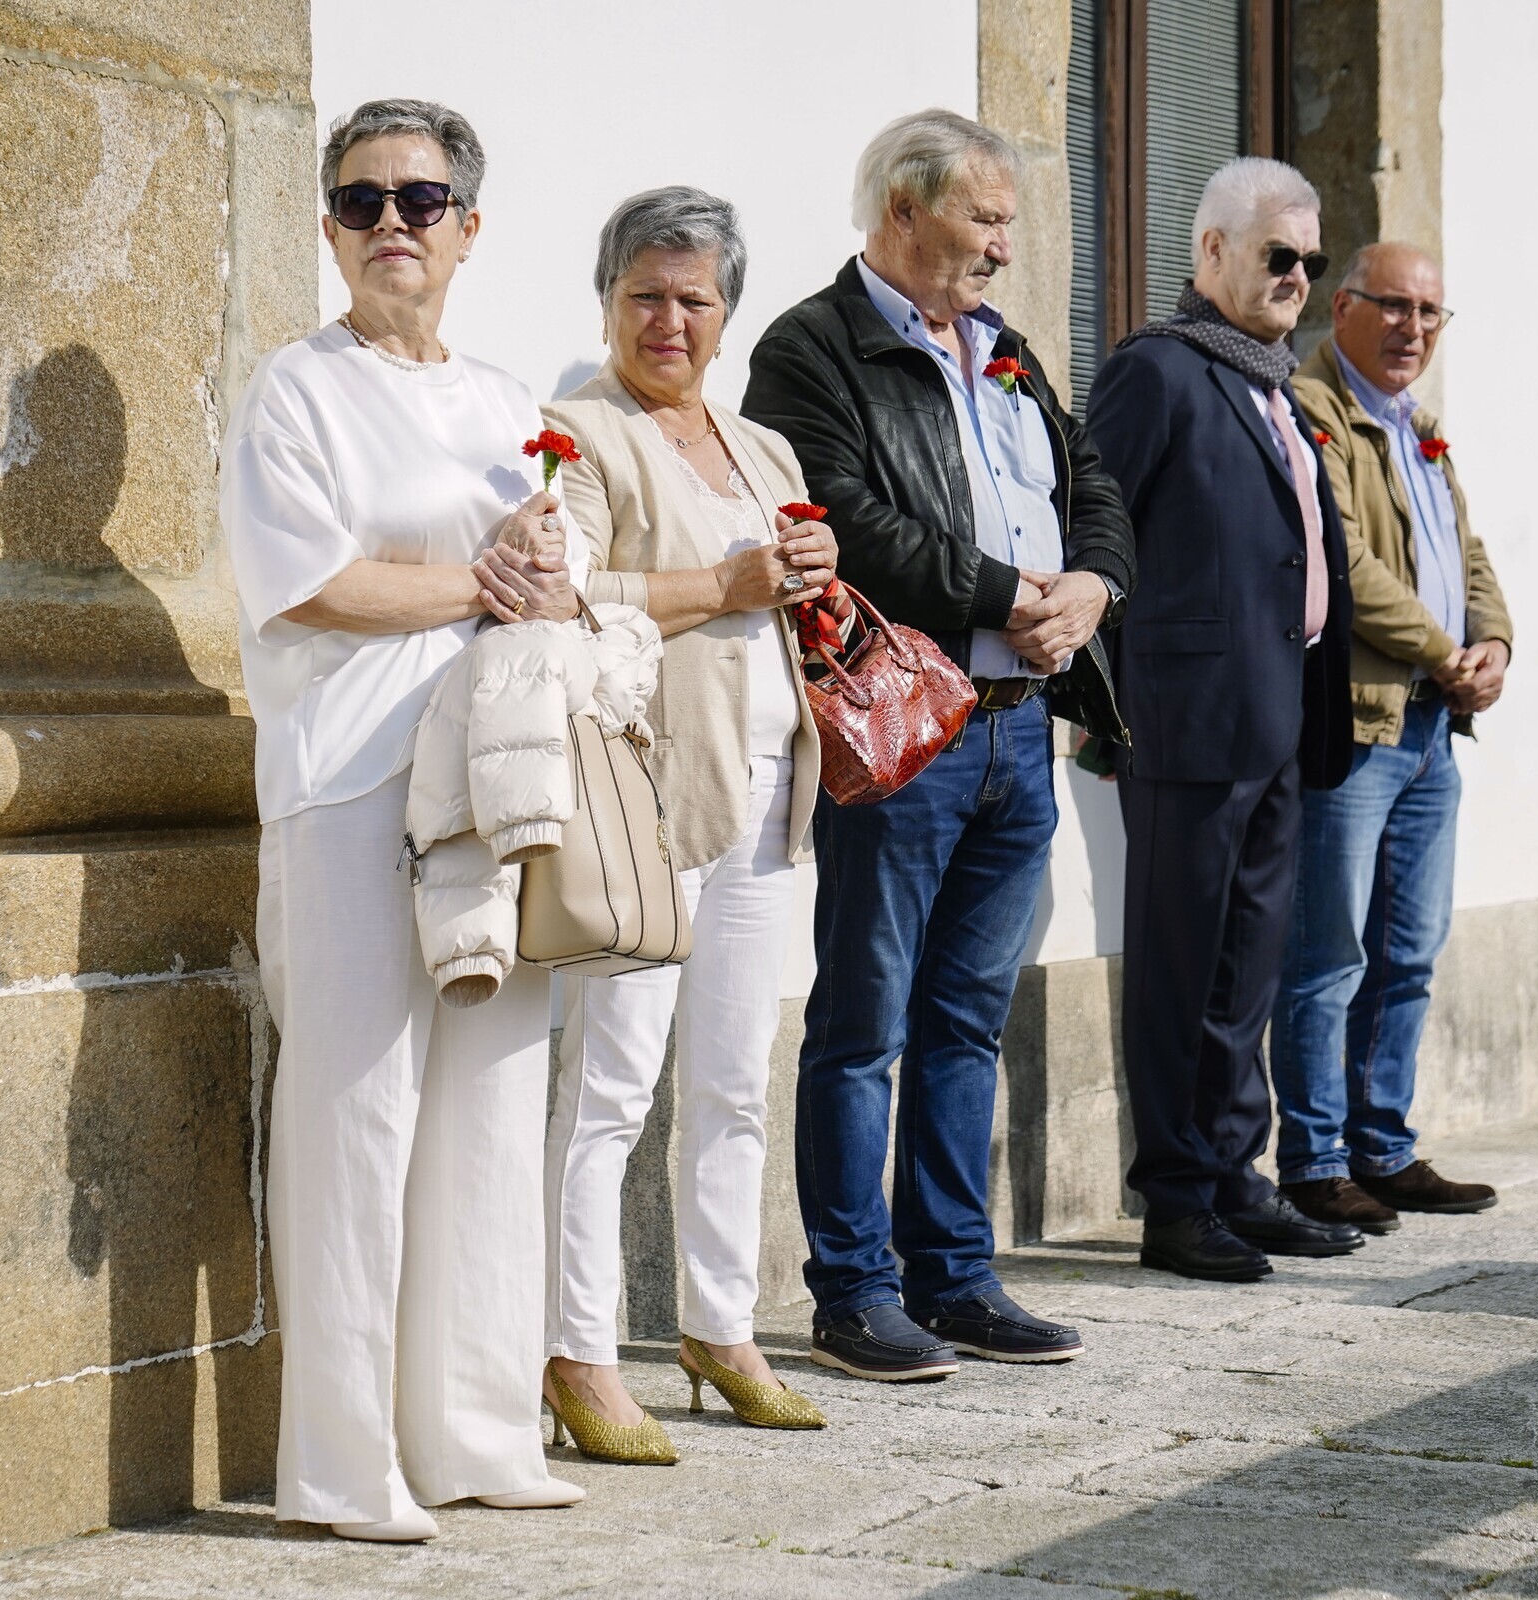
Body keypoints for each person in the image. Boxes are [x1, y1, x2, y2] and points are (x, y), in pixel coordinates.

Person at [220, 98, 587, 1542]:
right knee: (357, 1112)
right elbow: (310, 583)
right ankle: (340, 1463)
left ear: (466, 228)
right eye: (361, 201)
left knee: (492, 1100)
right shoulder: (296, 392)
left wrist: (545, 567)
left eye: (419, 201)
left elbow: (547, 571)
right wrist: (480, 581)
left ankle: (476, 1431)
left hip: (488, 779)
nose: (391, 224)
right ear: (329, 229)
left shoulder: (503, 400)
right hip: (352, 780)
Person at [744, 109, 1135, 1380]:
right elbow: (840, 518)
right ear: (904, 211)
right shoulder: (813, 347)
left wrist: (1092, 588)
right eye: (986, 219)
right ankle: (855, 1291)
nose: (1004, 248)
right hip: (907, 732)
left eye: (1009, 223)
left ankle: (955, 1276)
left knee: (968, 1017)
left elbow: (1093, 487)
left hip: (1019, 733)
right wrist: (1003, 593)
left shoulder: (1005, 349)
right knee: (864, 1021)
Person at [537, 187, 843, 1460]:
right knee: (609, 1089)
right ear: (608, 301)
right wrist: (722, 583)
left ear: (729, 313)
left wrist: (813, 587)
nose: (670, 320)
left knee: (732, 1083)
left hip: (770, 792)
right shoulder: (579, 430)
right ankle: (578, 1352)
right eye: (645, 295)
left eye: (695, 299)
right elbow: (562, 593)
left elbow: (778, 602)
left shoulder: (762, 448)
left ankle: (721, 1329)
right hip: (647, 796)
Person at [1083, 156, 1364, 1285]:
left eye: (1311, 261)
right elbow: (1094, 529)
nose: (1298, 277)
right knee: (1179, 967)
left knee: (1246, 967)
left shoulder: (1273, 385)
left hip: (1278, 718)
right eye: (1277, 256)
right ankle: (1176, 1197)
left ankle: (1236, 1174)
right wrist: (1112, 703)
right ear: (1212, 251)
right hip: (1187, 722)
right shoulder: (1158, 370)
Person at [1275, 243, 1513, 1231]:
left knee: (1409, 951)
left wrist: (1493, 641)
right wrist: (1443, 648)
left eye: (1430, 312)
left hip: (1431, 730)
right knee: (1329, 953)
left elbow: (1467, 552)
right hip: (1361, 723)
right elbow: (1344, 561)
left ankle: (1383, 1146)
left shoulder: (1416, 422)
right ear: (1344, 308)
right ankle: (1314, 1160)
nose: (1414, 327)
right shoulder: (1313, 410)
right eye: (1395, 306)